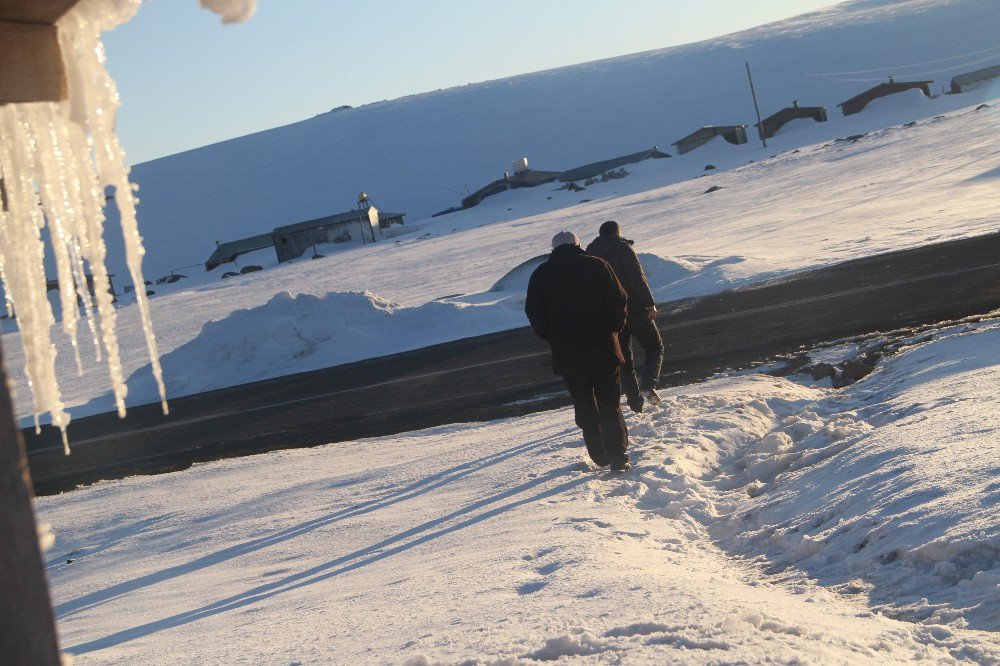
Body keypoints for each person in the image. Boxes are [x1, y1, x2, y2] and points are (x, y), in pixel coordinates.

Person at [525, 231, 631, 471]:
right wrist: (615, 328)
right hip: (604, 347)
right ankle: (618, 455)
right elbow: (619, 299)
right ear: (578, 244)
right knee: (609, 402)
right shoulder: (598, 265)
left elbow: (534, 312)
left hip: (568, 353)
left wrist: (551, 336)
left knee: (584, 402)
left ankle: (598, 453)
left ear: (553, 250)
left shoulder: (541, 274)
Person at [586, 220, 664, 413]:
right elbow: (637, 277)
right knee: (655, 346)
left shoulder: (589, 254)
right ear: (618, 233)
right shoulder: (623, 248)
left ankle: (635, 403)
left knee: (624, 360)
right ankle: (648, 384)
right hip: (635, 309)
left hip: (610, 316)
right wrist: (649, 304)